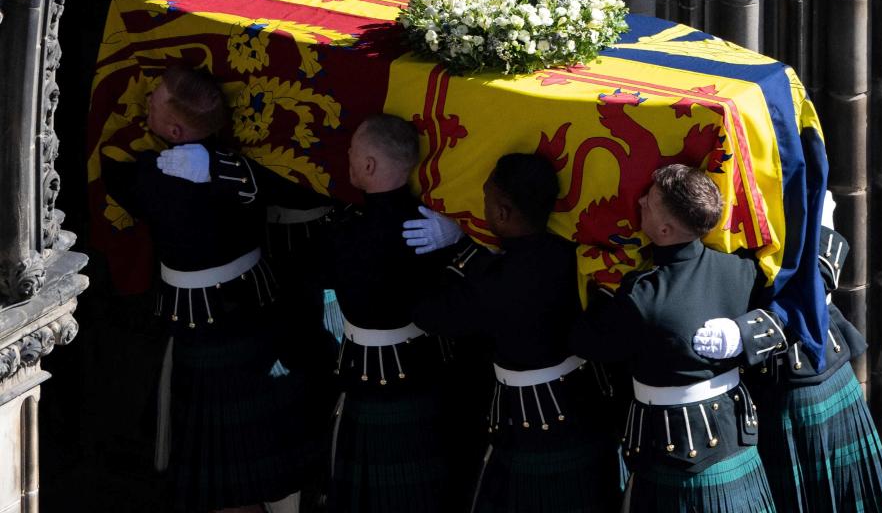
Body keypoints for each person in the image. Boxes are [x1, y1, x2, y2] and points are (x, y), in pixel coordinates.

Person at [101, 64, 312, 513]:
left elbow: (111, 164)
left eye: (154, 101)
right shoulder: (246, 169)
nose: (146, 103)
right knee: (264, 443)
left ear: (174, 128)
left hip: (205, 321)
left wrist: (211, 164)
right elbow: (295, 183)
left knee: (223, 465)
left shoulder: (149, 175)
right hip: (255, 304)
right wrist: (223, 164)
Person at [404, 152, 620, 513]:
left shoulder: (492, 279)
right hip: (586, 402)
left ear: (502, 214)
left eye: (485, 200)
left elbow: (430, 314)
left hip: (530, 422)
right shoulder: (572, 252)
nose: (482, 206)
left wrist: (461, 240)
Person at [569, 162, 777, 513]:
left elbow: (587, 343)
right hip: (734, 436)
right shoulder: (740, 269)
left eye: (648, 201)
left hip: (673, 453)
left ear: (664, 230)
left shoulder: (642, 295)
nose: (639, 204)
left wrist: (598, 284)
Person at [692, 193, 882, 512]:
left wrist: (748, 333)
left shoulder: (785, 160)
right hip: (745, 398)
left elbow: (822, 269)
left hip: (805, 376)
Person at [319, 114, 453, 512]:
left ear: (369, 166)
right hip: (424, 370)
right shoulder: (433, 228)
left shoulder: (345, 232)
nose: (348, 158)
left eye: (353, 153)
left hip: (365, 373)